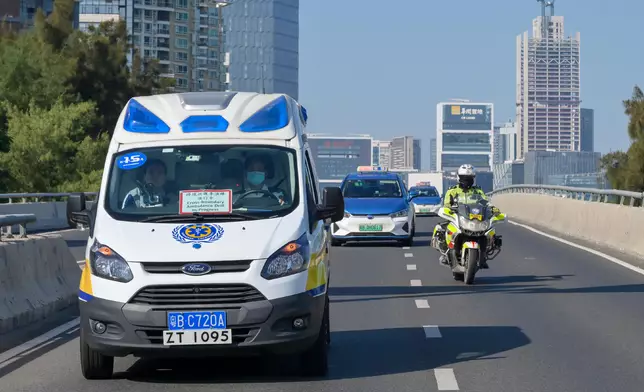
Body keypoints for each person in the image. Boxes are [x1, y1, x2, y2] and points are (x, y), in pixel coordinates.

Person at [434, 164, 500, 269]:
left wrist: (493, 209)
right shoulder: (452, 191)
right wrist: (449, 210)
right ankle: (446, 254)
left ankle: (483, 257)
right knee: (444, 231)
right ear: (459, 178)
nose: (467, 180)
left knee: (488, 233)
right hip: (458, 218)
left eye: (469, 178)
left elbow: (486, 202)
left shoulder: (478, 191)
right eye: (464, 178)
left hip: (475, 220)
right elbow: (446, 204)